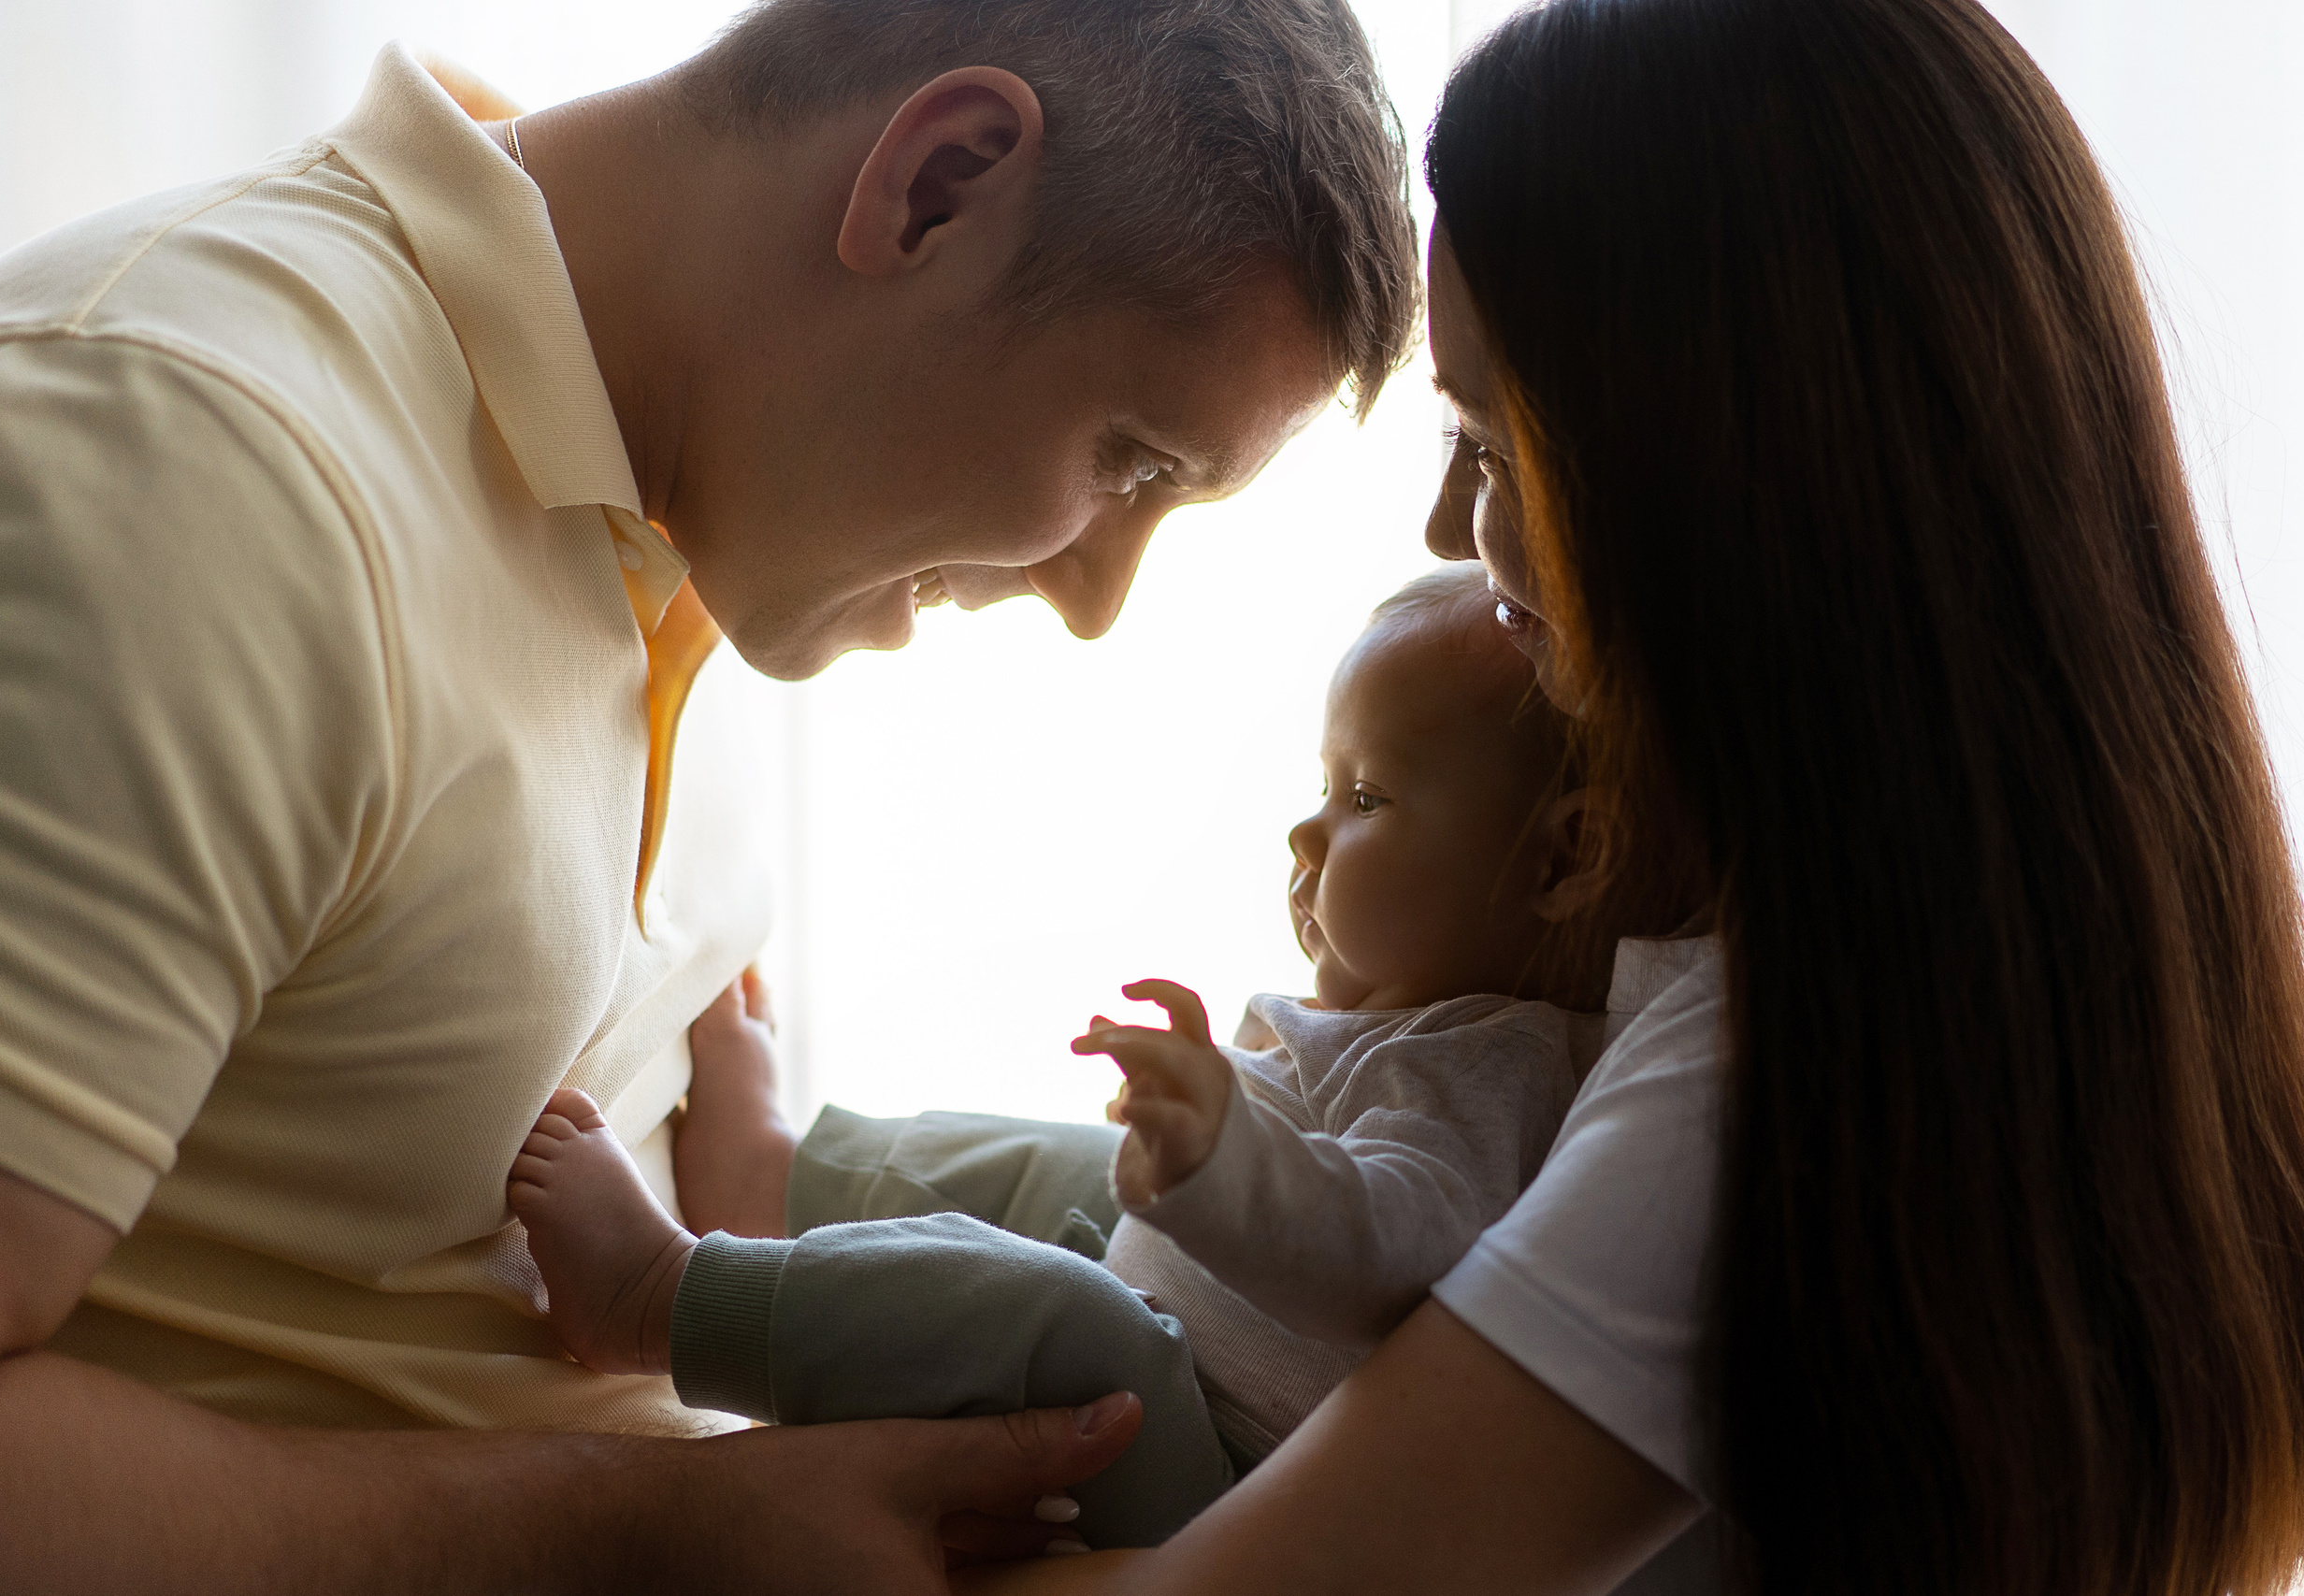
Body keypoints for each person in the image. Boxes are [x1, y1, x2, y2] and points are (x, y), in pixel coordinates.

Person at [0, 1, 1422, 1589]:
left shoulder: (689, 505)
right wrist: (649, 1524)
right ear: (938, 183)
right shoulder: (185, 471)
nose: (1098, 595)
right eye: (1129, 461)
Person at [953, 1, 2304, 1593]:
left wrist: (728, 1526)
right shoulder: (2071, 976)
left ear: (1722, 479)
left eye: (1495, 446)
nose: (1455, 528)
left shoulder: (1749, 1089)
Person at [505, 563, 1678, 1548]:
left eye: (1365, 796)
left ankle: (663, 1302)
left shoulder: (1490, 1069)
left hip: (1216, 1476)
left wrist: (1225, 1154)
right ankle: (780, 1179)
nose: (1304, 831)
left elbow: (1378, 1249)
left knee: (1059, 1313)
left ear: (1560, 861)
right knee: (1059, 1168)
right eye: (1323, 786)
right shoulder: (1417, 1026)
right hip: (1188, 1355)